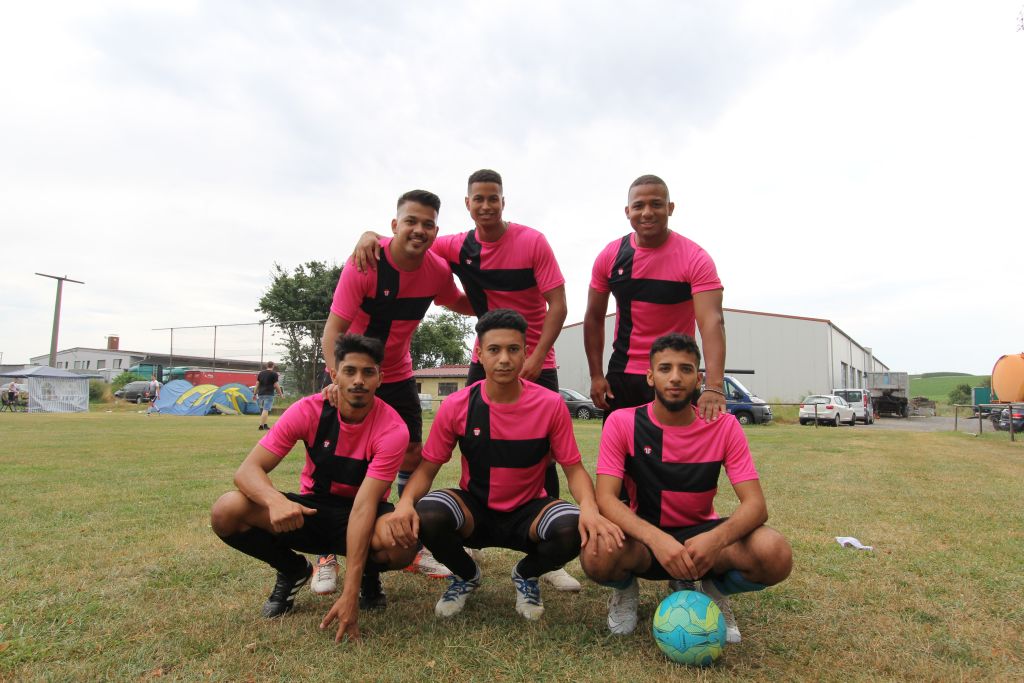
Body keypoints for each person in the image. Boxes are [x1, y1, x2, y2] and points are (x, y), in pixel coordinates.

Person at [352, 169, 579, 592]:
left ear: (503, 202)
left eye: (493, 198)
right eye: (479, 199)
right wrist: (371, 236)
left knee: (544, 453)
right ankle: (470, 526)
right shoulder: (456, 244)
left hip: (535, 359)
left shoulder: (533, 241)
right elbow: (409, 239)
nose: (486, 205)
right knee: (474, 441)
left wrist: (535, 357)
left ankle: (544, 556)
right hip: (485, 356)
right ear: (468, 204)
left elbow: (559, 305)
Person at [383, 310, 623, 621]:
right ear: (480, 354)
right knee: (427, 513)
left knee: (574, 526)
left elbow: (573, 469)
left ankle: (526, 574)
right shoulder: (457, 406)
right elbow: (427, 468)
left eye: (513, 349)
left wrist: (589, 507)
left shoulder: (550, 404)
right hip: (476, 510)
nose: (504, 359)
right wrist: (405, 502)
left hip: (529, 512)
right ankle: (466, 575)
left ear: (526, 353)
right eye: (494, 350)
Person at [580, 333, 792, 642]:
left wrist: (715, 540)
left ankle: (715, 590)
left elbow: (756, 506)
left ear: (699, 379)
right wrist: (657, 540)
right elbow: (606, 498)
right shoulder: (623, 422)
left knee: (775, 553)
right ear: (650, 377)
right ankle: (626, 591)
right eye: (665, 368)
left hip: (702, 542)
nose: (675, 378)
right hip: (646, 542)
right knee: (596, 552)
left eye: (686, 369)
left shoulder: (724, 425)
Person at [209, 334, 417, 643]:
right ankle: (293, 569)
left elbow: (364, 506)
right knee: (227, 510)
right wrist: (275, 500)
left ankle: (367, 577)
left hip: (362, 512)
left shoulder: (393, 428)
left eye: (368, 372)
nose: (358, 380)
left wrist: (349, 592)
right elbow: (247, 471)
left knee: (401, 542)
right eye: (350, 371)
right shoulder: (308, 410)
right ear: (334, 374)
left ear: (380, 378)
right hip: (311, 510)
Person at [315, 189, 472, 592]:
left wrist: (506, 296)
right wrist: (337, 378)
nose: (419, 230)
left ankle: (409, 538)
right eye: (411, 221)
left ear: (436, 229)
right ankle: (326, 551)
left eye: (427, 224)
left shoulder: (436, 270)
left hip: (397, 373)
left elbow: (458, 301)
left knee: (412, 454)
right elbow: (333, 330)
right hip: (353, 374)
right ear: (394, 225)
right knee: (338, 459)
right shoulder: (365, 262)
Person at [584, 174, 727, 423]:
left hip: (675, 374)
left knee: (678, 447)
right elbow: (594, 318)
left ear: (670, 208)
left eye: (656, 204)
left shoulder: (695, 258)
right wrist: (596, 375)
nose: (647, 212)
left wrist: (714, 386)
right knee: (620, 448)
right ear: (628, 211)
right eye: (639, 206)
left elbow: (712, 322)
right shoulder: (610, 256)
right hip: (624, 375)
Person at [255, 361, 284, 430]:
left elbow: (257, 384)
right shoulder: (274, 374)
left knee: (264, 410)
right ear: (273, 366)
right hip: (269, 394)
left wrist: (255, 393)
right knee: (266, 409)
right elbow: (276, 385)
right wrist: (281, 394)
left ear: (266, 366)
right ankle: (261, 426)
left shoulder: (261, 373)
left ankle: (265, 425)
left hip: (261, 394)